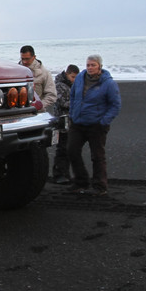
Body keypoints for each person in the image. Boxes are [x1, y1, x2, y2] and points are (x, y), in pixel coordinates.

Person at [67, 54, 121, 196]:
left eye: (93, 65)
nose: (90, 68)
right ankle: (81, 181)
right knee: (72, 150)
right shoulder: (80, 78)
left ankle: (100, 186)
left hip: (96, 125)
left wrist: (103, 121)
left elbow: (115, 105)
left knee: (97, 156)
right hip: (78, 123)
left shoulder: (108, 83)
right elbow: (72, 96)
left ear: (100, 66)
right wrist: (72, 114)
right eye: (88, 65)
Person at [51, 64, 80, 184]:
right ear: (67, 74)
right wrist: (78, 104)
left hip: (70, 121)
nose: (74, 80)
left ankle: (65, 173)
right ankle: (59, 174)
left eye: (76, 77)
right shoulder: (59, 85)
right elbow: (62, 103)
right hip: (62, 121)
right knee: (62, 148)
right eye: (73, 77)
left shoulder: (72, 85)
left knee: (68, 148)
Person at [18, 45, 56, 110]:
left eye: (27, 59)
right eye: (22, 59)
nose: (24, 62)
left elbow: (51, 95)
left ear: (34, 57)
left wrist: (39, 106)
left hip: (37, 111)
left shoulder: (44, 73)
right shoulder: (16, 72)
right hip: (19, 110)